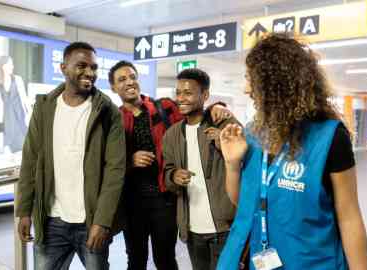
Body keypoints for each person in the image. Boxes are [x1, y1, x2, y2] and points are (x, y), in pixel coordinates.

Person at [217, 34, 367, 270]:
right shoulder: (253, 134)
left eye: (250, 79)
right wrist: (232, 164)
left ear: (276, 83)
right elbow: (245, 204)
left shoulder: (329, 137)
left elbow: (349, 217)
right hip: (255, 259)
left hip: (310, 262)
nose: (245, 88)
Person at [108, 60, 231, 270]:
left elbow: (193, 110)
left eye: (133, 77)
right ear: (113, 87)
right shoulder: (114, 119)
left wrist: (217, 106)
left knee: (165, 258)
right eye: (122, 79)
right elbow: (107, 160)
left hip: (164, 198)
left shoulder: (163, 107)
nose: (129, 82)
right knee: (135, 260)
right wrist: (130, 161)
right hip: (132, 202)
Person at [15, 42, 126, 270]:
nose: (90, 73)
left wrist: (103, 221)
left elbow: (115, 171)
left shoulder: (108, 112)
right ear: (63, 67)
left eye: (94, 68)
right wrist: (24, 210)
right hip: (51, 221)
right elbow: (30, 159)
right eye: (82, 66)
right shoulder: (44, 107)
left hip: (91, 221)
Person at [162, 68, 237, 270]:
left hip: (225, 228)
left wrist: (224, 145)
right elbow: (166, 172)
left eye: (187, 93)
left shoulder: (225, 123)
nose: (181, 98)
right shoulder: (171, 135)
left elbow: (246, 161)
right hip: (192, 229)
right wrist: (173, 175)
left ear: (204, 95)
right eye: (178, 93)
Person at [0, 55, 31, 153]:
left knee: (22, 142)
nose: (12, 66)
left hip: (19, 115)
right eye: (10, 64)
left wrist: (30, 113)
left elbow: (24, 98)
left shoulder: (17, 79)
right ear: (3, 66)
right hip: (6, 116)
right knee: (7, 144)